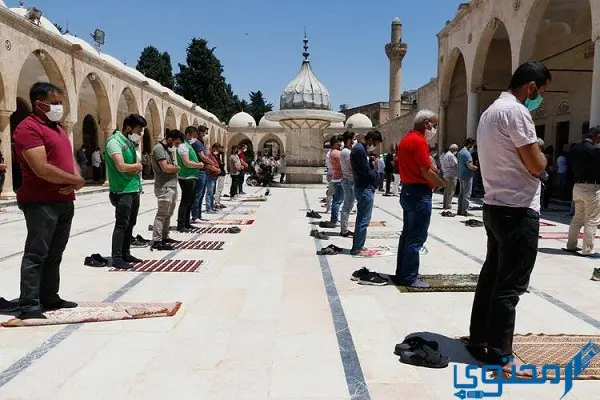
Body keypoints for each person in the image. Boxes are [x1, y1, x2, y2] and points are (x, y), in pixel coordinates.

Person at [467, 61, 551, 375]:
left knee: (491, 276)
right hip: (517, 209)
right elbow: (536, 165)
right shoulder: (517, 113)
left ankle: (479, 340)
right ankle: (501, 357)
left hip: (494, 207)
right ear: (530, 87)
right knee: (510, 285)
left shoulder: (489, 113)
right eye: (540, 92)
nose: (540, 97)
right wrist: (541, 153)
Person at [12, 82, 83, 319]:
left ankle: (50, 297)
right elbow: (41, 168)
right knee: (36, 254)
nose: (59, 108)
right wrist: (74, 179)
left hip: (63, 200)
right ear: (39, 104)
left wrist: (77, 178)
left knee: (55, 253)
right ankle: (29, 304)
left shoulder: (58, 127)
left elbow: (68, 155)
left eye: (61, 103)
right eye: (55, 104)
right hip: (40, 201)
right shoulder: (28, 129)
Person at [392, 110, 446, 288]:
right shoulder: (419, 141)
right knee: (416, 237)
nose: (434, 128)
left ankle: (402, 272)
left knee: (407, 235)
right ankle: (409, 278)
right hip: (419, 194)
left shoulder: (405, 140)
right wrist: (442, 184)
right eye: (434, 125)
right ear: (426, 124)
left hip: (407, 191)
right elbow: (426, 171)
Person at [105, 114, 145, 270]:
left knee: (131, 223)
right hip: (122, 191)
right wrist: (138, 166)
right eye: (139, 130)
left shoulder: (128, 142)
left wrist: (135, 167)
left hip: (133, 189)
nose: (140, 133)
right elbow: (121, 166)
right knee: (122, 224)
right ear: (128, 128)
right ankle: (117, 258)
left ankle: (126, 252)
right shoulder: (114, 142)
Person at [565, 126, 600, 257]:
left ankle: (571, 245)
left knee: (578, 217)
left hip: (577, 186)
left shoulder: (575, 149)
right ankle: (587, 249)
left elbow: (570, 168)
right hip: (591, 188)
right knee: (591, 219)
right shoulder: (595, 150)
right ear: (596, 136)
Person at [350, 130, 384, 257]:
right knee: (363, 219)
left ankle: (358, 246)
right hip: (364, 188)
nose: (374, 145)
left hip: (361, 186)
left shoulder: (359, 148)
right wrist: (376, 171)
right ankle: (357, 248)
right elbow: (366, 172)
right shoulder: (360, 149)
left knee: (362, 218)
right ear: (371, 139)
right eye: (375, 143)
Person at [150, 130, 183, 250]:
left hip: (171, 185)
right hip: (164, 186)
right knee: (162, 214)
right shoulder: (159, 149)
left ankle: (165, 236)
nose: (177, 146)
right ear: (170, 139)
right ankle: (157, 240)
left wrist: (174, 167)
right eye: (177, 143)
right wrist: (176, 168)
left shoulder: (168, 150)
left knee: (169, 213)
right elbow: (165, 168)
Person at [176, 127, 204, 232]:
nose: (195, 138)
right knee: (185, 201)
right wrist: (198, 165)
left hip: (191, 177)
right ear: (187, 135)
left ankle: (186, 223)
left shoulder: (188, 145)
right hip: (186, 177)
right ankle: (181, 224)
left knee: (190, 201)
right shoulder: (183, 146)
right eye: (194, 136)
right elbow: (186, 162)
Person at [190, 126, 214, 222]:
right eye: (204, 133)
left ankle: (198, 215)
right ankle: (195, 216)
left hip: (203, 171)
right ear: (199, 132)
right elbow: (203, 157)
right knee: (198, 194)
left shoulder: (201, 143)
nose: (205, 135)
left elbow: (207, 154)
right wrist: (212, 164)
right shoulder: (196, 143)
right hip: (200, 171)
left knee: (201, 194)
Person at [322, 136, 344, 228]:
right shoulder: (336, 153)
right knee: (337, 200)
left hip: (335, 177)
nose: (340, 144)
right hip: (339, 178)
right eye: (338, 142)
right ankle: (334, 220)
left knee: (335, 199)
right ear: (334, 143)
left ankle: (334, 218)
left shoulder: (331, 153)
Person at [340, 131, 356, 237]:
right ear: (349, 140)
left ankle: (344, 228)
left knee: (348, 205)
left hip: (348, 180)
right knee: (347, 206)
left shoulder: (345, 151)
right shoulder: (346, 152)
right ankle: (344, 230)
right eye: (353, 139)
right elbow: (351, 166)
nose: (354, 141)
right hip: (349, 181)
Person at [457, 138, 478, 216]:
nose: (472, 147)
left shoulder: (460, 152)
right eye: (472, 145)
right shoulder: (467, 153)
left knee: (461, 194)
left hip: (461, 175)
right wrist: (476, 168)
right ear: (469, 144)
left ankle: (459, 210)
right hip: (467, 176)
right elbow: (470, 166)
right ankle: (464, 211)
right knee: (467, 194)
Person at [205, 143, 223, 213]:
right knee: (209, 192)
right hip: (210, 176)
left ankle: (211, 207)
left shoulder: (213, 154)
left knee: (212, 192)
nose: (218, 151)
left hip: (214, 176)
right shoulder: (209, 154)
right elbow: (209, 165)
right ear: (214, 148)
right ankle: (208, 208)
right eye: (217, 149)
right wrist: (216, 170)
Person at [441, 144, 459, 210]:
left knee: (446, 191)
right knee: (451, 190)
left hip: (446, 174)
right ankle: (448, 205)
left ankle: (445, 204)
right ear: (454, 150)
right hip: (451, 175)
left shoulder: (445, 155)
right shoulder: (451, 156)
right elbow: (456, 164)